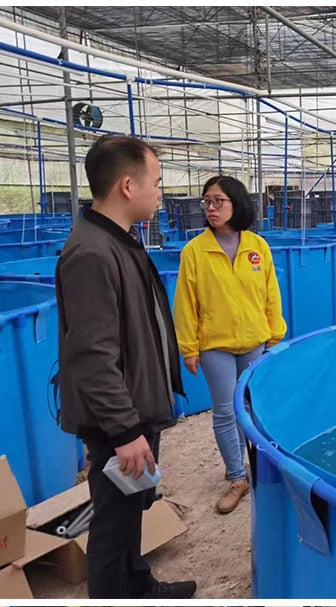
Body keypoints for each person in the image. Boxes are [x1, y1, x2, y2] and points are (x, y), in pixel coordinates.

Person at [55, 135, 196, 599]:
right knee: (113, 529)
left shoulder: (120, 241)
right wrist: (123, 431)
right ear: (128, 185)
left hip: (134, 408)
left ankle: (139, 586)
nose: (161, 192)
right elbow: (92, 355)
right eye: (156, 183)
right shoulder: (92, 253)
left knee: (134, 506)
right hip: (119, 419)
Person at [174, 175, 286, 514]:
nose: (210, 208)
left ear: (236, 203)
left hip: (253, 340)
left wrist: (274, 334)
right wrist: (189, 347)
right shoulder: (194, 251)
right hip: (215, 345)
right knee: (225, 411)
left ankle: (239, 462)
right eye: (206, 201)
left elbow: (270, 293)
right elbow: (185, 303)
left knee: (247, 410)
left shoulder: (257, 246)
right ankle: (238, 476)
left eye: (218, 201)